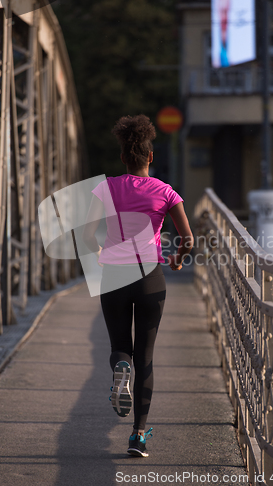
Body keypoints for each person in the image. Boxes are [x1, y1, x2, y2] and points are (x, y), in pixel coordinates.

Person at [82, 115, 193, 457]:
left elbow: (87, 237)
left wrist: (101, 249)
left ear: (122, 158)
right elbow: (187, 239)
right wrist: (175, 260)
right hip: (150, 279)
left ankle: (120, 368)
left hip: (115, 276)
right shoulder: (165, 192)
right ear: (151, 157)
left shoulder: (105, 188)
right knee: (146, 355)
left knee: (121, 346)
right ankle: (138, 436)